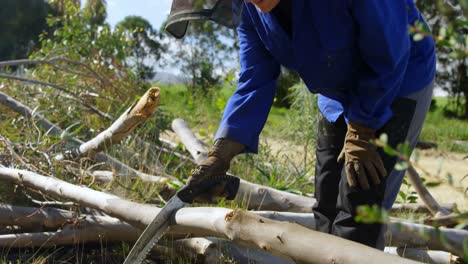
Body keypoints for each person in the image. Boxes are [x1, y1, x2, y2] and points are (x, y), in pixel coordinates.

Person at [165, 0, 436, 249]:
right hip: (337, 93)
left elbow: (389, 50)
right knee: (326, 204)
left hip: (396, 82)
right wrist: (219, 155)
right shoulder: (252, 13)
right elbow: (254, 79)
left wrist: (362, 130)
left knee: (360, 211)